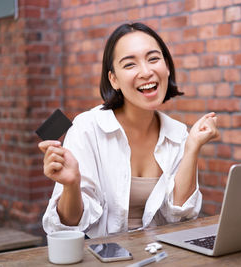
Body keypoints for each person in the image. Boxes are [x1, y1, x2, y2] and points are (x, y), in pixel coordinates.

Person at [39, 22, 219, 238]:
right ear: (113, 79)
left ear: (167, 67)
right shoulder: (87, 128)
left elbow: (180, 216)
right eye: (129, 64)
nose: (146, 71)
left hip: (162, 254)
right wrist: (71, 185)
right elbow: (68, 225)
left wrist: (192, 148)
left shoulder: (178, 133)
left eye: (153, 59)